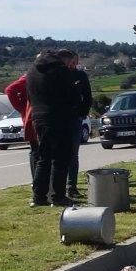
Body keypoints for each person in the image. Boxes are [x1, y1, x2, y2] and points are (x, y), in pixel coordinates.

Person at [26, 49, 80, 206]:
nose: (71, 67)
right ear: (62, 59)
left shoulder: (32, 71)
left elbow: (29, 95)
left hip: (38, 117)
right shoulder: (59, 70)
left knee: (43, 157)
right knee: (61, 158)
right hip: (58, 116)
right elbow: (72, 95)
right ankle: (58, 196)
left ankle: (38, 197)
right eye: (70, 63)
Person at [3, 73, 37, 179]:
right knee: (36, 152)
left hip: (39, 119)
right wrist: (22, 109)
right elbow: (10, 90)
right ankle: (36, 182)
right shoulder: (29, 77)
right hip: (33, 120)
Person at [66, 58, 92, 198]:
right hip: (60, 119)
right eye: (70, 62)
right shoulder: (58, 75)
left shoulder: (80, 75)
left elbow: (87, 95)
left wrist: (82, 113)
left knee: (73, 155)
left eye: (74, 62)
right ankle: (58, 187)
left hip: (75, 118)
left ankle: (71, 186)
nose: (72, 64)